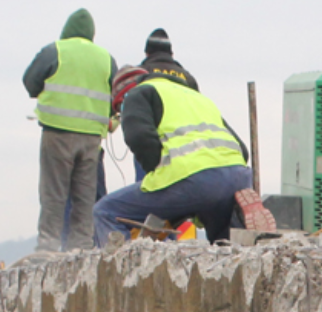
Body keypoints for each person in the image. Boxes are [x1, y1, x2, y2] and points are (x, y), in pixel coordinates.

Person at [93, 72, 254, 245]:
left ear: (123, 96)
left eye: (120, 111)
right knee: (223, 242)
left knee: (105, 211)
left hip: (192, 178)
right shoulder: (198, 98)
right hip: (238, 178)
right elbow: (243, 150)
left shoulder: (137, 93)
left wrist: (157, 173)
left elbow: (139, 137)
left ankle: (122, 262)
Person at [23, 9, 116, 253]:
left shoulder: (55, 50)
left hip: (57, 134)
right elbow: (115, 97)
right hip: (91, 138)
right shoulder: (106, 59)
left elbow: (30, 83)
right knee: (85, 197)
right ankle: (81, 248)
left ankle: (48, 246)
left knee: (54, 193)